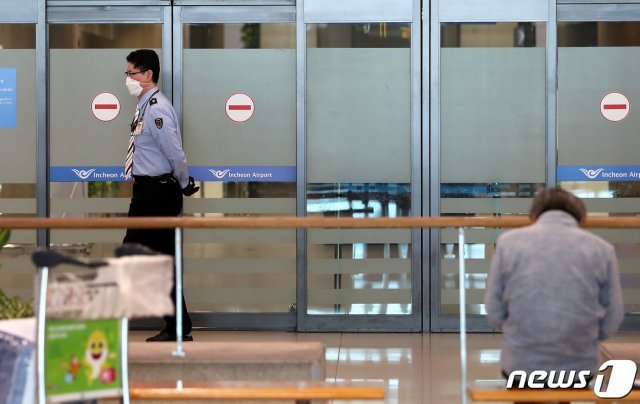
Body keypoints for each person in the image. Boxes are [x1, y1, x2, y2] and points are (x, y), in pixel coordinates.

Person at [485, 188, 624, 385]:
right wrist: (588, 336)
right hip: (579, 367)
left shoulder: (508, 243)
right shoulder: (602, 249)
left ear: (533, 216)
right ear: (580, 219)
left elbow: (493, 310)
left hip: (521, 364)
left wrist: (516, 330)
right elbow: (613, 315)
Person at [122, 49, 199, 342]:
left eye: (131, 74)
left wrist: (183, 182)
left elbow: (174, 152)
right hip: (147, 191)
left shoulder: (156, 109)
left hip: (158, 192)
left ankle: (178, 325)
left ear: (147, 75)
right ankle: (179, 325)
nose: (127, 79)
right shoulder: (144, 106)